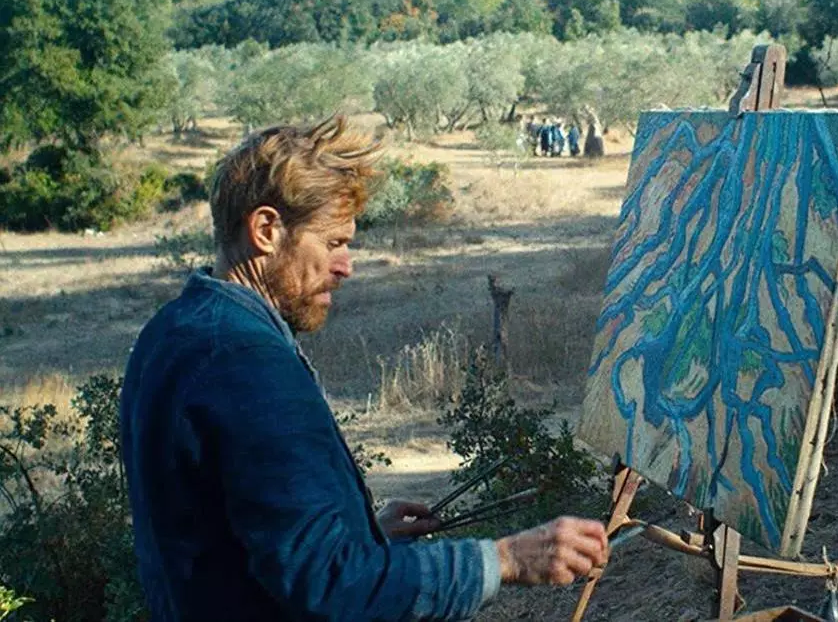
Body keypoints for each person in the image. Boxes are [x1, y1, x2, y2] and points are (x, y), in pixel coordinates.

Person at [119, 115, 609, 622]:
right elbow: (333, 585)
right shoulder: (246, 364)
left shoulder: (172, 330)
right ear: (266, 230)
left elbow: (226, 536)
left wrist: (361, 531)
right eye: (333, 242)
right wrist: (504, 559)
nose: (346, 265)